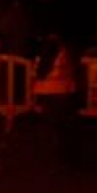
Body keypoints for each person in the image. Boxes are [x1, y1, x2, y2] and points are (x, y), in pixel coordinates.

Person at [32, 31, 83, 168]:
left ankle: (51, 160)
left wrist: (37, 98)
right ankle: (64, 159)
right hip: (66, 92)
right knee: (61, 128)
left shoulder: (49, 48)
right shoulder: (68, 50)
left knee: (48, 128)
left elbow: (41, 72)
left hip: (50, 93)